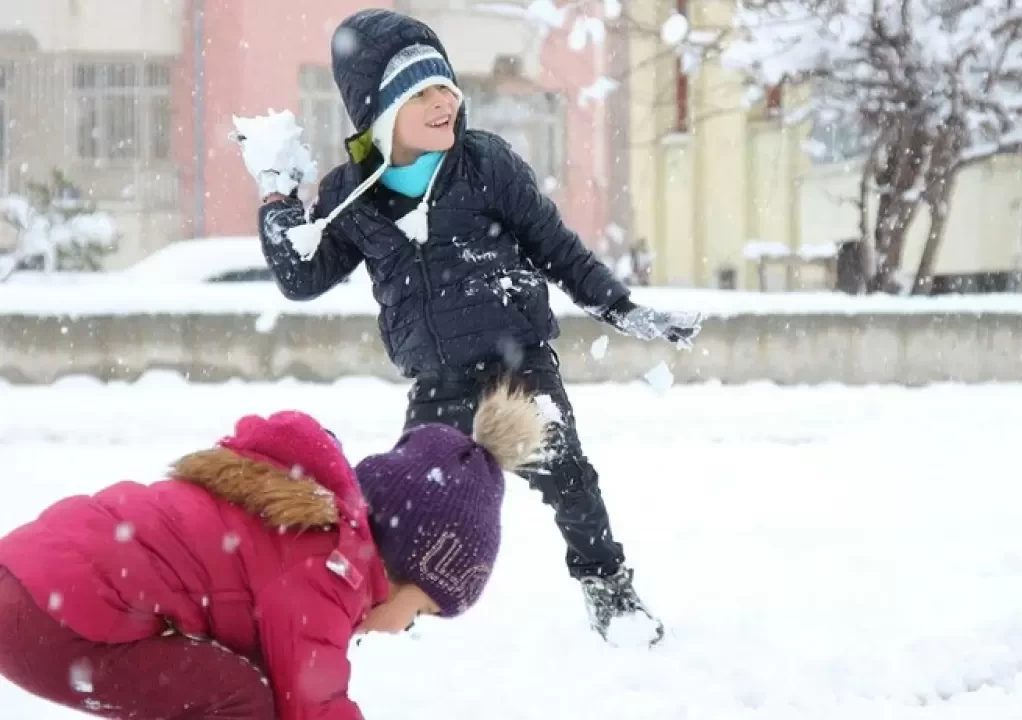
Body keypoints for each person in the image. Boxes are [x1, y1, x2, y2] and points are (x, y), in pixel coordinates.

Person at [243, 8, 700, 645]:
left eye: (446, 88)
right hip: (438, 379)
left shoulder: (485, 164)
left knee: (570, 480)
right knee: (405, 505)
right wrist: (277, 198)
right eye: (421, 93)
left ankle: (609, 592)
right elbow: (302, 277)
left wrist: (621, 307)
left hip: (519, 366)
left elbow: (556, 247)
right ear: (379, 112)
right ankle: (381, 606)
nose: (443, 104)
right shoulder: (352, 193)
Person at [0, 382, 546, 719]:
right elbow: (314, 705)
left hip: (30, 588)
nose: (405, 628)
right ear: (401, 563)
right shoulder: (329, 568)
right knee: (239, 700)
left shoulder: (313, 539)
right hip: (47, 618)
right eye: (423, 610)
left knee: (236, 688)